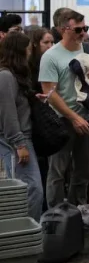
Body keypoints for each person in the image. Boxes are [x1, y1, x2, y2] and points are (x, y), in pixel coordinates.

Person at [39, 10, 89, 208]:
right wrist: (74, 118)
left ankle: (79, 212)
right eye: (78, 29)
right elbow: (50, 93)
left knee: (84, 171)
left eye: (84, 28)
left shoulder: (88, 49)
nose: (83, 33)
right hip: (61, 121)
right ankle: (57, 215)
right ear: (63, 29)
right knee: (57, 171)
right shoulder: (51, 57)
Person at [0, 32, 43, 222]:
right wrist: (19, 144)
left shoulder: (14, 76)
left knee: (28, 188)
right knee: (30, 189)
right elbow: (7, 113)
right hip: (15, 141)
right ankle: (26, 230)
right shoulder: (6, 77)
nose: (30, 52)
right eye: (27, 48)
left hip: (21, 138)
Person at [27, 27, 54, 211]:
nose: (50, 46)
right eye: (46, 42)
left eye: (52, 42)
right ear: (35, 44)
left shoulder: (49, 62)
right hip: (32, 122)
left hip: (47, 120)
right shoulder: (28, 66)